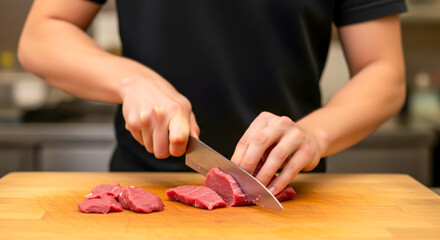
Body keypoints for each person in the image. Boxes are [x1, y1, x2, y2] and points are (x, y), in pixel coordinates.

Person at [18, 0, 407, 195]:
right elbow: (42, 34)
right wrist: (132, 80)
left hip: (290, 197)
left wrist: (315, 134)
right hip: (145, 194)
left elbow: (383, 71)